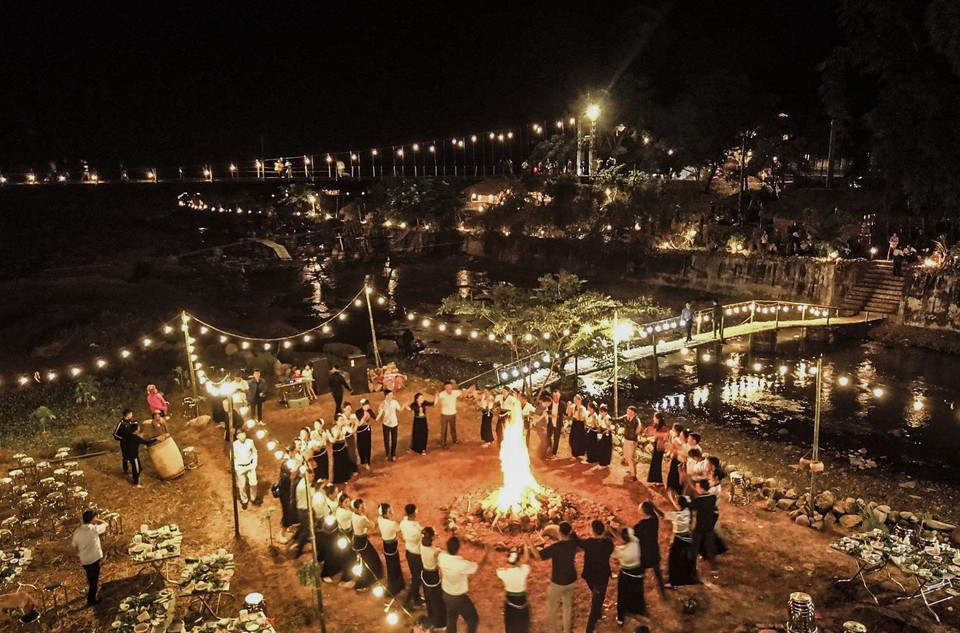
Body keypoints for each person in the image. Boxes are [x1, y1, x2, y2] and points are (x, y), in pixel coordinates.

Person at [527, 521, 579, 633]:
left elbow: (537, 556)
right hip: (571, 580)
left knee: (551, 606)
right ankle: (566, 630)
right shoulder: (574, 542)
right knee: (567, 606)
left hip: (558, 582)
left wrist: (528, 540)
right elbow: (576, 537)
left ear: (558, 532)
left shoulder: (556, 547)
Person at [438, 536, 489, 633]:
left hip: (446, 593)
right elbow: (478, 567)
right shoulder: (461, 564)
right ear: (458, 548)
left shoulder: (442, 557)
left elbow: (445, 551)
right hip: (458, 597)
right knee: (473, 619)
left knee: (451, 617)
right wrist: (486, 553)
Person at [578, 520, 615, 633]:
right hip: (601, 578)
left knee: (596, 599)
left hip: (590, 576)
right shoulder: (609, 544)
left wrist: (570, 527)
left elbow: (577, 541)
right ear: (603, 530)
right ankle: (591, 626)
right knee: (596, 603)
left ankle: (593, 622)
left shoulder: (589, 543)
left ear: (592, 531)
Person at [611, 527, 646, 626]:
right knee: (637, 591)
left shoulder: (622, 551)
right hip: (638, 571)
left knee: (622, 594)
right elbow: (628, 534)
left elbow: (613, 552)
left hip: (626, 574)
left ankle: (620, 617)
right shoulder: (636, 543)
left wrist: (611, 535)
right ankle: (638, 609)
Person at [72, 509, 107, 606]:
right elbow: (105, 524)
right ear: (92, 519)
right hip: (94, 558)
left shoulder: (77, 531)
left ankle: (90, 590)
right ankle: (91, 599)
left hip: (84, 560)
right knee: (94, 581)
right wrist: (98, 520)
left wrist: (78, 554)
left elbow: (74, 545)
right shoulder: (94, 529)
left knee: (89, 576)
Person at [496, 544, 532, 633]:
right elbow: (527, 560)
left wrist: (490, 554)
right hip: (522, 601)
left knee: (510, 626)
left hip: (510, 602)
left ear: (509, 561)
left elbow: (495, 568)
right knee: (523, 626)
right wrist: (526, 546)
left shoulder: (504, 573)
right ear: (519, 561)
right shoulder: (523, 570)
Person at [691, 479, 726, 569]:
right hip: (709, 526)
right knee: (710, 546)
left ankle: (692, 565)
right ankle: (713, 565)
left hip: (700, 527)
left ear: (701, 488)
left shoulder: (699, 501)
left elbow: (689, 505)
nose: (696, 488)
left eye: (697, 487)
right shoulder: (712, 498)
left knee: (694, 546)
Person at [634, 502, 666, 596]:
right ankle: (662, 589)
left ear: (644, 511)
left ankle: (639, 594)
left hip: (643, 554)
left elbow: (634, 539)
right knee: (657, 570)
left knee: (640, 575)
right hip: (654, 551)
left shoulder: (639, 526)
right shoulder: (655, 520)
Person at [351, 498, 384, 590]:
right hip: (362, 542)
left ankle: (368, 581)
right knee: (371, 561)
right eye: (362, 507)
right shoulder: (361, 519)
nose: (364, 508)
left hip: (359, 540)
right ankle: (362, 584)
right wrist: (380, 515)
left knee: (368, 561)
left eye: (364, 506)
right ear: (357, 508)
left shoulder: (355, 515)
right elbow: (373, 525)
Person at [666, 496, 698, 586]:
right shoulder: (688, 511)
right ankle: (691, 578)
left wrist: (653, 507)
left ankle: (675, 581)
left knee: (674, 560)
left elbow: (663, 514)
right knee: (687, 558)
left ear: (679, 505)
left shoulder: (677, 516)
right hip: (687, 537)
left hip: (679, 539)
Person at [420, 527, 446, 629]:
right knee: (437, 598)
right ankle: (440, 622)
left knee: (429, 597)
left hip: (425, 573)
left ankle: (431, 616)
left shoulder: (421, 546)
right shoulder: (435, 551)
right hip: (433, 575)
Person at [378, 504, 406, 597]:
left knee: (390, 566)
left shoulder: (380, 520)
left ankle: (398, 585)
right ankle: (395, 587)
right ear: (385, 514)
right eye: (389, 511)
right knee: (395, 565)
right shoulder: (392, 524)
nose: (392, 512)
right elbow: (399, 529)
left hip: (386, 545)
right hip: (392, 546)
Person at [399, 504, 424, 607]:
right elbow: (421, 535)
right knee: (418, 578)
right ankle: (408, 600)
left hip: (409, 552)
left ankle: (416, 598)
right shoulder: (415, 530)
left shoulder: (403, 523)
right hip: (416, 554)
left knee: (415, 577)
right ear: (414, 513)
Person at [435, 380, 472, 449]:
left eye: (449, 386)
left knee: (453, 428)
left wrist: (469, 390)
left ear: (451, 387)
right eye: (447, 387)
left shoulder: (455, 392)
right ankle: (443, 443)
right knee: (444, 429)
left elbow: (463, 394)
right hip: (444, 414)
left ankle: (455, 440)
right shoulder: (442, 394)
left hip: (452, 413)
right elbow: (437, 398)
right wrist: (436, 395)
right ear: (445, 387)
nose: (448, 388)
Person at [121, 422, 157, 487]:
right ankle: (135, 483)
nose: (139, 430)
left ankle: (135, 477)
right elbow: (146, 442)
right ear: (136, 430)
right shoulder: (135, 438)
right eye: (138, 429)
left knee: (138, 467)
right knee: (137, 469)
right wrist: (156, 439)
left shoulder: (128, 436)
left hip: (128, 454)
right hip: (133, 455)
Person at [233, 429, 260, 508]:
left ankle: (253, 498)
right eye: (241, 435)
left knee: (254, 483)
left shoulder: (250, 442)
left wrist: (254, 463)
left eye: (244, 434)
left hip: (250, 466)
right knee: (242, 485)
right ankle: (244, 500)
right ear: (237, 437)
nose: (243, 437)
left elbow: (255, 452)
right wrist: (235, 467)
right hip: (240, 467)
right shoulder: (234, 445)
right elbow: (232, 457)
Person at [335, 493, 356, 587]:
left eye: (348, 501)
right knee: (349, 557)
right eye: (346, 502)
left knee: (345, 556)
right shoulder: (346, 513)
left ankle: (346, 575)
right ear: (341, 503)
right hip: (346, 534)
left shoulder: (339, 510)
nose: (348, 504)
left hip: (342, 534)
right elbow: (356, 514)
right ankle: (346, 579)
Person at [292, 463, 311, 557]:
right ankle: (298, 551)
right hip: (303, 510)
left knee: (303, 528)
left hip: (301, 509)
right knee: (305, 531)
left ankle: (295, 537)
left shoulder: (303, 482)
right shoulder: (305, 487)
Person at [378, 389, 403, 462]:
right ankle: (387, 454)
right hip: (386, 424)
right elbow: (379, 412)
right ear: (386, 396)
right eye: (389, 395)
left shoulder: (395, 402)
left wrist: (404, 406)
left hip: (394, 424)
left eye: (392, 395)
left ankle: (393, 454)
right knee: (386, 440)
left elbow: (400, 409)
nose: (391, 396)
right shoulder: (382, 403)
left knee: (394, 440)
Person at [645, 413, 668, 486]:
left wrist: (655, 433)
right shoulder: (656, 425)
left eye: (654, 417)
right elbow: (650, 431)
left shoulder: (663, 427)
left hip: (660, 445)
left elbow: (665, 435)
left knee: (657, 462)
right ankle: (654, 479)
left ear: (658, 419)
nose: (653, 418)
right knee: (654, 462)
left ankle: (659, 480)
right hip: (656, 443)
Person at [620, 406, 640, 481]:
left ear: (632, 413)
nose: (627, 412)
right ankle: (632, 470)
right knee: (627, 456)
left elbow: (637, 431)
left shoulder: (636, 421)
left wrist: (633, 440)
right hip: (627, 439)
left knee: (630, 457)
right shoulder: (627, 417)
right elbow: (618, 420)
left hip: (632, 441)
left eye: (628, 411)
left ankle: (633, 475)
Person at [113, 409, 135, 474]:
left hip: (131, 442)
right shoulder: (121, 423)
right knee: (126, 456)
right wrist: (123, 439)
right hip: (124, 444)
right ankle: (126, 469)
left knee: (133, 454)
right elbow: (115, 434)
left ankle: (135, 467)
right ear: (127, 415)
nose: (132, 415)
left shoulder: (130, 422)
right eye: (131, 414)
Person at [545, 390, 565, 458]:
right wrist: (550, 415)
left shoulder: (562, 404)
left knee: (556, 439)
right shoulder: (549, 403)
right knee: (548, 437)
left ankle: (554, 453)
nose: (555, 397)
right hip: (550, 423)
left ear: (559, 396)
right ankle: (549, 449)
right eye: (554, 396)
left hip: (558, 424)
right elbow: (546, 411)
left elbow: (566, 413)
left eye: (557, 396)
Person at [566, 394, 587, 460]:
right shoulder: (573, 406)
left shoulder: (583, 408)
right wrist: (568, 407)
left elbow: (583, 418)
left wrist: (579, 413)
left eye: (575, 400)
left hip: (580, 424)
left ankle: (581, 453)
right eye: (574, 400)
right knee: (573, 438)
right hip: (575, 423)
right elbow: (569, 415)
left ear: (579, 400)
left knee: (580, 439)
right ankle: (574, 454)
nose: (574, 401)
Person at [355, 399, 373, 469]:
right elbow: (360, 422)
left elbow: (375, 417)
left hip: (367, 430)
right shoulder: (358, 412)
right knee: (360, 446)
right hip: (360, 430)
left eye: (368, 405)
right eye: (366, 405)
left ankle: (368, 461)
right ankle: (363, 461)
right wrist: (365, 416)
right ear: (362, 405)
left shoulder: (370, 411)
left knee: (368, 445)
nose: (367, 407)